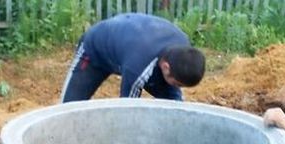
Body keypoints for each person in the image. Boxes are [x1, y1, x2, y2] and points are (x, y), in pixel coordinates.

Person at [60, 13, 206, 103]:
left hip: (135, 50)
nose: (178, 88)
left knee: (175, 108)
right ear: (166, 67)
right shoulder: (138, 67)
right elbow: (128, 109)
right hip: (95, 52)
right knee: (69, 107)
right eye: (178, 84)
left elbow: (174, 98)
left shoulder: (183, 49)